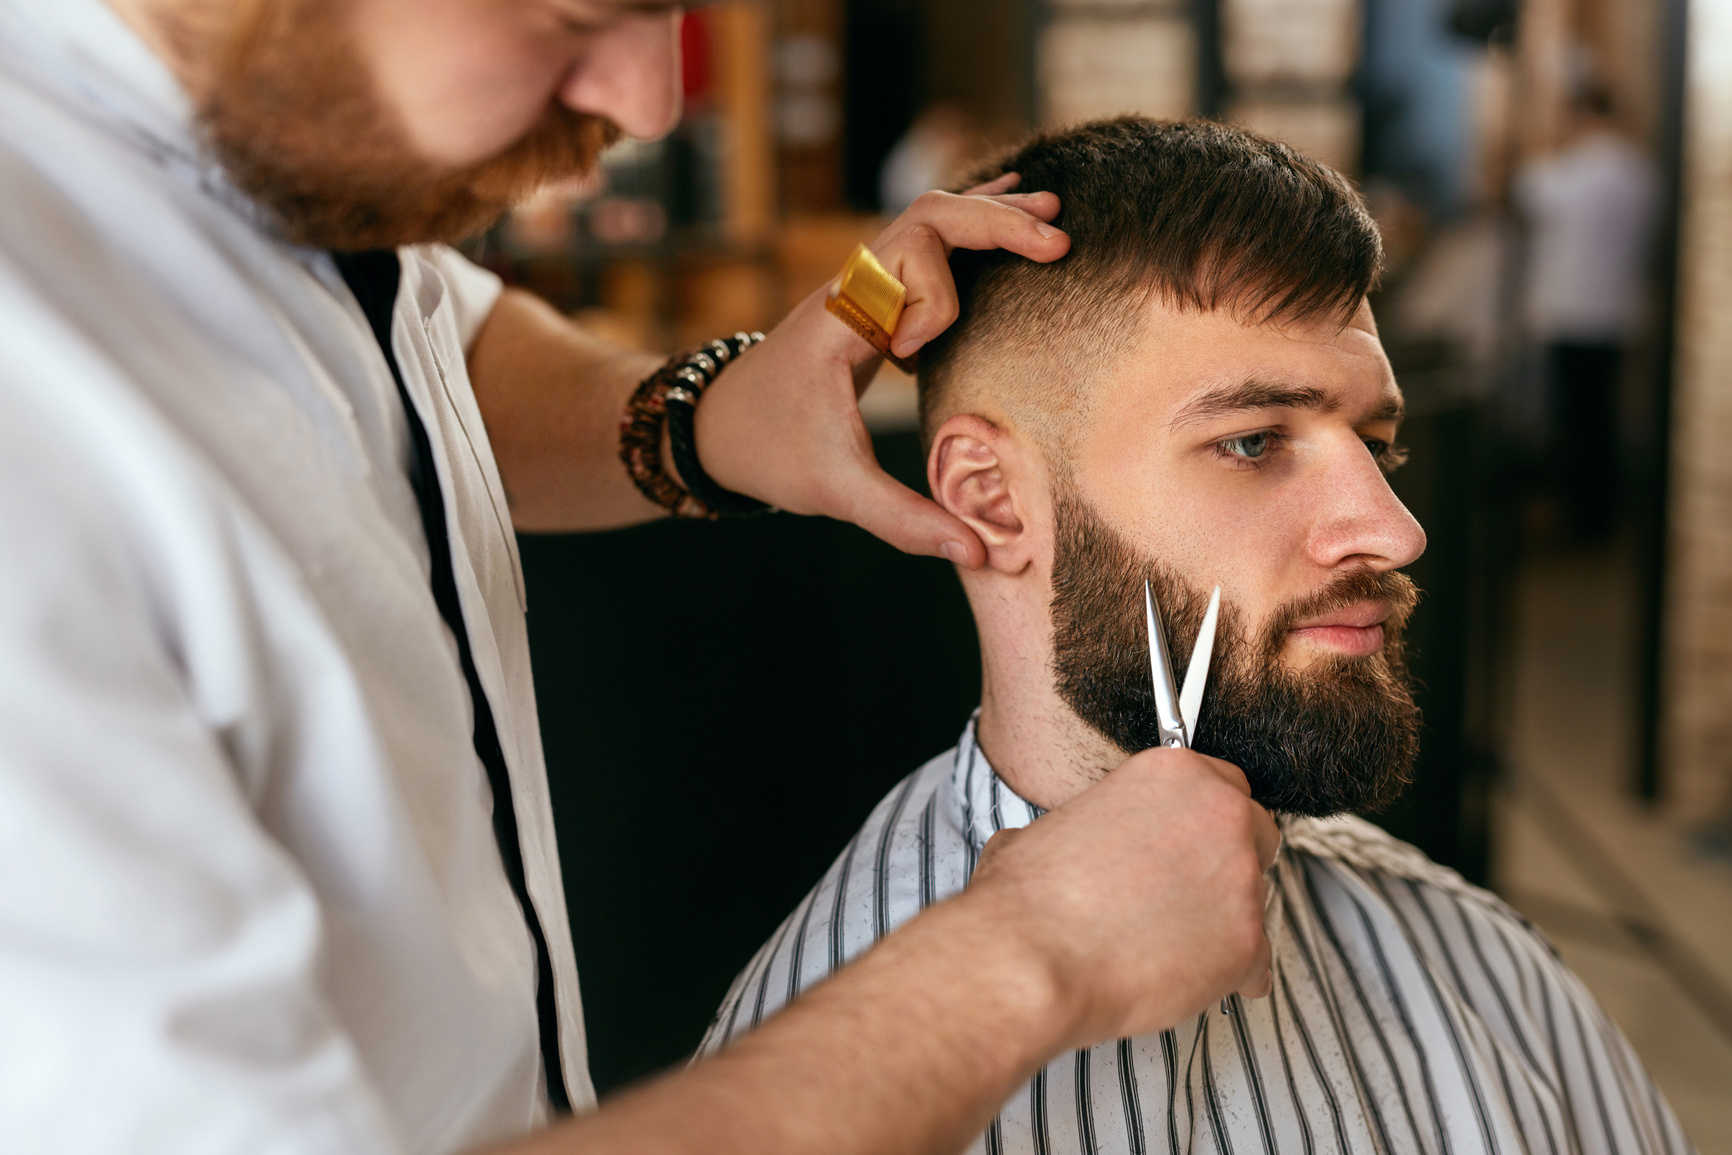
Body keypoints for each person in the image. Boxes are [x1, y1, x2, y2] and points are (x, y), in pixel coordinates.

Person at [0, 2, 1290, 1153]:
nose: (651, 100)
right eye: (581, 17)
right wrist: (1029, 957)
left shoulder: (274, 146)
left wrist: (710, 416)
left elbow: (417, 343)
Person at [699, 119, 1692, 1155]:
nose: (1395, 533)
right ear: (992, 499)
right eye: (1252, 442)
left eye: (1378, 446)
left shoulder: (1472, 957)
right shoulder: (809, 1083)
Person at [1515, 84, 1659, 541]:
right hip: (1616, 312)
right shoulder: (1638, 171)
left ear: (1582, 115)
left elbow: (1527, 190)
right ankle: (1598, 515)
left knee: (1577, 421)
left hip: (1573, 313)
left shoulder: (1577, 170)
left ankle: (1582, 521)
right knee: (1602, 417)